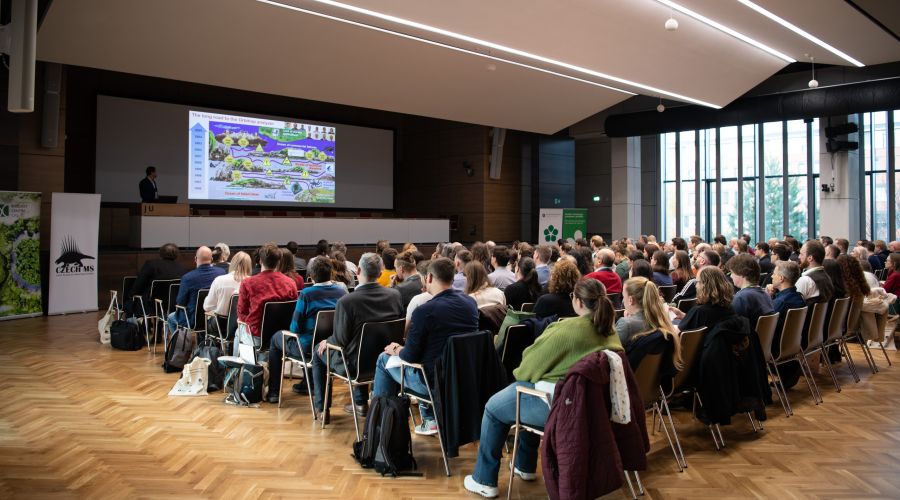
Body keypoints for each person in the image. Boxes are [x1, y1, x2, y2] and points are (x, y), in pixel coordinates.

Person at [464, 278, 622, 498]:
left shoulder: (565, 330)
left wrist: (535, 374)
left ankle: (484, 480)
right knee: (525, 394)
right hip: (591, 407)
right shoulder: (610, 330)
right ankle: (524, 465)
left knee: (493, 408)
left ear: (577, 301)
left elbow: (526, 368)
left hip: (558, 406)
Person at [372, 258, 479, 435]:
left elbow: (410, 356)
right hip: (464, 378)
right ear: (452, 278)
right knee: (427, 355)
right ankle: (427, 419)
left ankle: (381, 425)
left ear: (428, 278)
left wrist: (396, 349)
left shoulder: (424, 311)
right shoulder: (470, 303)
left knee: (384, 359)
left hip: (433, 382)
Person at [311, 253, 404, 420]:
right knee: (360, 344)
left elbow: (340, 340)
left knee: (318, 351)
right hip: (386, 359)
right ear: (380, 272)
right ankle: (360, 403)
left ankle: (322, 409)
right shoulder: (395, 295)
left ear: (358, 270)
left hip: (355, 366)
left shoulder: (347, 301)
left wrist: (327, 341)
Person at [266, 257, 347, 403]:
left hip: (307, 348)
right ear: (331, 273)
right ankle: (307, 383)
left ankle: (274, 392)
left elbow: (295, 328)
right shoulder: (342, 292)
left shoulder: (307, 294)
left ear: (311, 276)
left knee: (276, 339)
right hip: (330, 346)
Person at [236, 242, 298, 351]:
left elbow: (241, 313)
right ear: (278, 261)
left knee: (238, 331)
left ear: (260, 260)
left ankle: (236, 362)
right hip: (282, 336)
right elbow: (293, 310)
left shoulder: (248, 283)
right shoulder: (290, 283)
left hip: (256, 336)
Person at [167, 246, 225, 334]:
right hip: (214, 318)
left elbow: (180, 302)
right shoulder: (221, 273)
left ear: (195, 259)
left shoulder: (188, 278)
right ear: (212, 259)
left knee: (171, 318)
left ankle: (180, 343)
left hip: (193, 320)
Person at [127, 242, 186, 315]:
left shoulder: (151, 264)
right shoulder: (181, 269)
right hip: (172, 306)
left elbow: (138, 284)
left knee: (129, 302)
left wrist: (130, 296)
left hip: (150, 305)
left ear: (161, 253)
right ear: (177, 254)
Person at [671, 266, 735, 333]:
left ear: (704, 285)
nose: (696, 286)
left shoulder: (699, 311)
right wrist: (683, 315)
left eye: (697, 282)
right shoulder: (730, 309)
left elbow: (676, 335)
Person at [616, 277, 675, 347]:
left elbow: (610, 352)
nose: (623, 300)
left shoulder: (625, 324)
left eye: (623, 296)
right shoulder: (662, 320)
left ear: (630, 300)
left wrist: (627, 321)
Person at [202, 251, 251, 335]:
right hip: (242, 326)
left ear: (232, 263)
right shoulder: (252, 282)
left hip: (220, 326)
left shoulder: (219, 280)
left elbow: (207, 307)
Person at [728, 254, 774, 334]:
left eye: (732, 272)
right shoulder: (765, 294)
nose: (731, 276)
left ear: (742, 274)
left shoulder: (741, 298)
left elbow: (733, 329)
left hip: (749, 340)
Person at [765, 261, 807, 349]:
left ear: (781, 278)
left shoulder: (781, 302)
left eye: (774, 274)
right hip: (793, 345)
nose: (772, 276)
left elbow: (766, 326)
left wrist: (767, 297)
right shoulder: (800, 297)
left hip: (776, 347)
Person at [796, 240, 834, 305]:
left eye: (801, 254)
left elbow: (794, 306)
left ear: (810, 258)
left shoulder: (806, 280)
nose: (799, 257)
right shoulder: (827, 277)